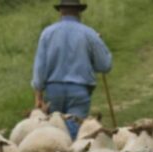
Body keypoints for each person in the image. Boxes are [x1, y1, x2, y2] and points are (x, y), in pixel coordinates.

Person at [32, 0, 112, 139]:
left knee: (54, 130)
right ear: (79, 12)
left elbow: (39, 68)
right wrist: (100, 44)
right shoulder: (89, 33)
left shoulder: (47, 33)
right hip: (79, 91)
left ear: (60, 12)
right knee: (74, 131)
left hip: (53, 90)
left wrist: (38, 94)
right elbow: (104, 66)